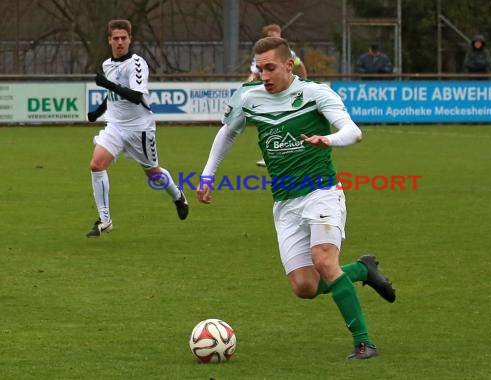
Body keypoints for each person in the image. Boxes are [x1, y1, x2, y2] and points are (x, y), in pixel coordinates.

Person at [196, 36, 396, 359]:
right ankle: (361, 270)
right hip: (285, 202)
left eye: (271, 68)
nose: (265, 76)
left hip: (322, 192)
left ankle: (364, 342)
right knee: (304, 286)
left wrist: (326, 139)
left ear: (289, 65)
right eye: (260, 69)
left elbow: (352, 131)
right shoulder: (249, 97)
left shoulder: (315, 94)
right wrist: (207, 174)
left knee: (323, 260)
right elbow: (227, 133)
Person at [85, 19, 188, 237]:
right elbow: (112, 96)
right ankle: (105, 220)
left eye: (124, 38)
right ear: (109, 40)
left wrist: (108, 84)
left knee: (153, 174)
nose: (120, 42)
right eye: (116, 38)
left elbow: (134, 96)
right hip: (114, 126)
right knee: (96, 165)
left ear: (130, 40)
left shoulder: (137, 63)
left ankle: (178, 196)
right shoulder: (107, 65)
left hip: (139, 129)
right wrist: (97, 111)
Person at [247, 23, 307, 168]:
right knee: (271, 123)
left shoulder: (288, 52)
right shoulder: (261, 55)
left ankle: (295, 153)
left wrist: (305, 82)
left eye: (276, 35)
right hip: (272, 92)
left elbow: (300, 65)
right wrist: (248, 83)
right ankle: (270, 155)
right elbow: (255, 73)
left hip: (290, 92)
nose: (274, 38)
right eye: (270, 36)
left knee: (293, 121)